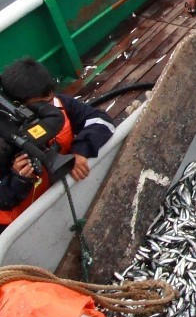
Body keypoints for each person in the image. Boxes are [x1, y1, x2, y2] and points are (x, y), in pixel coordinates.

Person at [0, 57, 115, 226]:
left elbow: (101, 121)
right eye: (41, 105)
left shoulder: (58, 104)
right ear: (18, 105)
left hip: (62, 203)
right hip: (22, 226)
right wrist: (18, 179)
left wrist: (81, 150)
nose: (49, 108)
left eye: (49, 101)